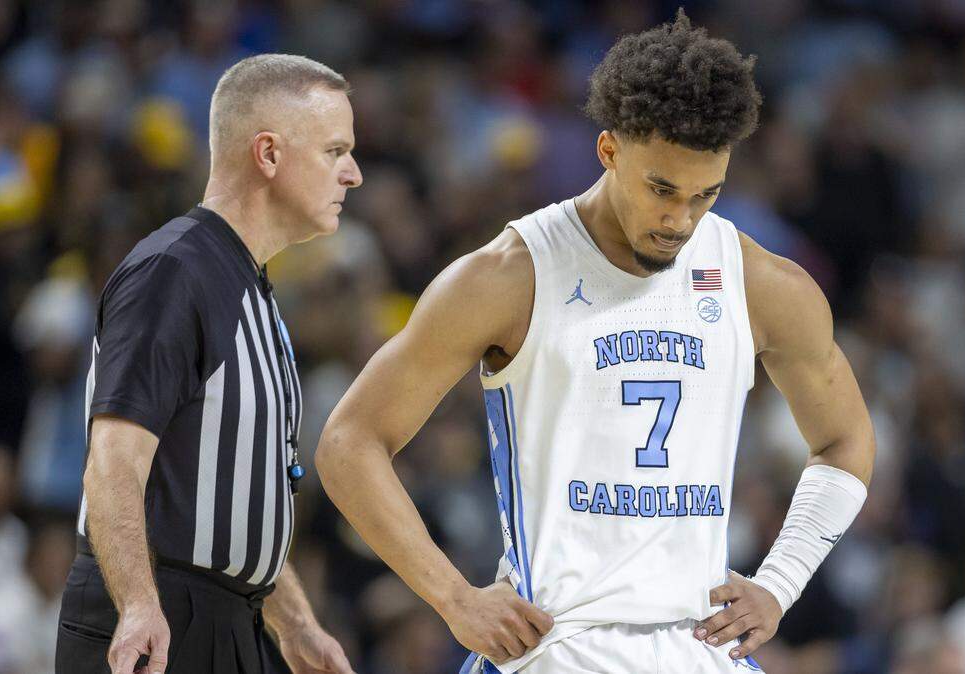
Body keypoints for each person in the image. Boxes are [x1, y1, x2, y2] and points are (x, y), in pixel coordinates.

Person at [316, 11, 874, 673]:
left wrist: (780, 582)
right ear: (609, 151)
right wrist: (454, 598)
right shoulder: (510, 275)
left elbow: (845, 440)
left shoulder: (760, 282)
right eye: (661, 190)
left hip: (700, 647)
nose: (680, 220)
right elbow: (349, 441)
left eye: (705, 195)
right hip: (553, 643)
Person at [56, 54, 362, 674]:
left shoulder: (251, 287)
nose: (353, 174)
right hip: (155, 618)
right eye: (335, 151)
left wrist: (296, 623)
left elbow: (242, 495)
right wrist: (139, 605)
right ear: (269, 154)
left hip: (230, 619)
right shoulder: (174, 271)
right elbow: (113, 461)